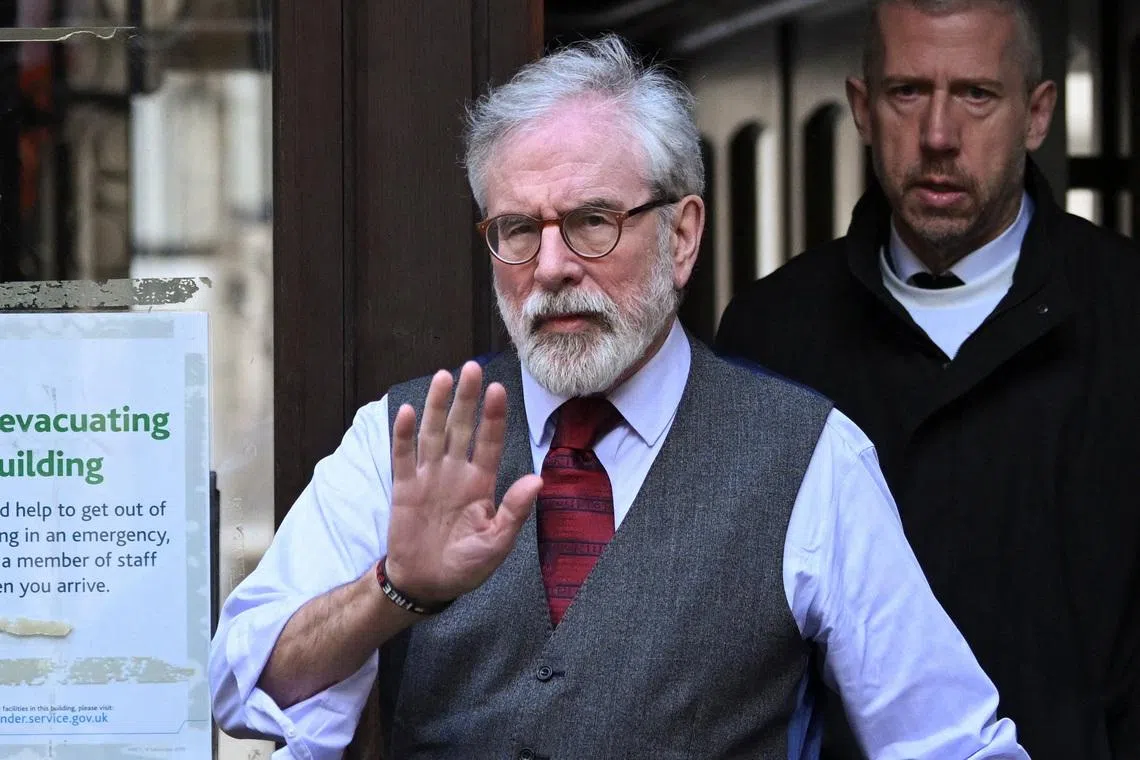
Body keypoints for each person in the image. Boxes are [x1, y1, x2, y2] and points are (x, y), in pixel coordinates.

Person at [209, 35, 1030, 760]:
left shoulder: (810, 459)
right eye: (518, 230)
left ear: (682, 235)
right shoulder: (404, 438)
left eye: (593, 221)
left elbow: (951, 744)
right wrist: (393, 591)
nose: (552, 266)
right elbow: (244, 683)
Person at [715, 2, 1140, 759]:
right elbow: (736, 634)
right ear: (862, 108)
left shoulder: (1128, 312)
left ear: (1038, 113)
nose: (938, 135)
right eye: (907, 91)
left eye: (977, 94)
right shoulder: (770, 332)